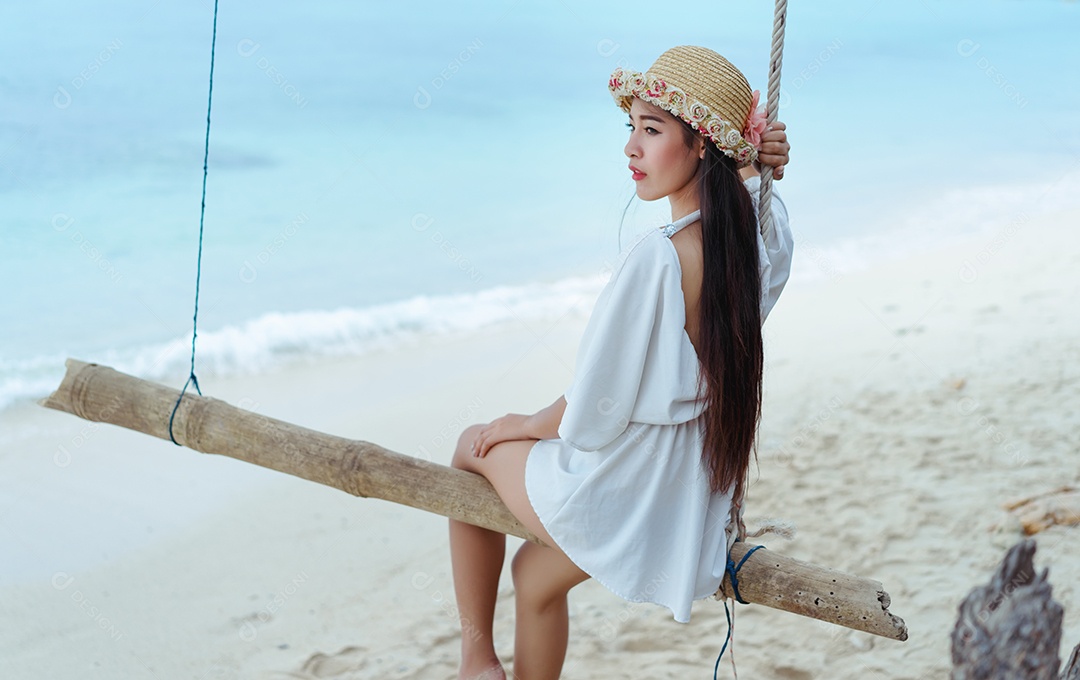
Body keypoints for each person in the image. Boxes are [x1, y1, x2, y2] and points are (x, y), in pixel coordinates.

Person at [448, 45, 794, 680]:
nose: (631, 148)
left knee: (472, 445)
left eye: (653, 130)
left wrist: (523, 423)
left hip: (630, 485)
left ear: (700, 148)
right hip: (686, 490)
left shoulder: (657, 258)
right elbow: (775, 235)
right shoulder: (749, 239)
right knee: (533, 576)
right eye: (630, 128)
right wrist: (751, 168)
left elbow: (594, 407)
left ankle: (476, 658)